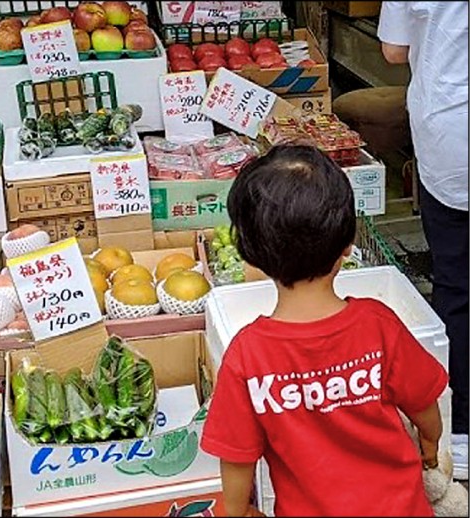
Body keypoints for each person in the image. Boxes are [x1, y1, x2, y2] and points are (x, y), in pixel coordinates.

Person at [200, 146, 448, 517]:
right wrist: (430, 441)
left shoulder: (247, 355)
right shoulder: (377, 324)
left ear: (249, 253)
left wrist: (237, 510)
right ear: (347, 247)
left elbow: (236, 454)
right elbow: (423, 401)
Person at [377, 1, 469, 482]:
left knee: (456, 285)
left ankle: (463, 432)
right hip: (449, 130)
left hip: (451, 135)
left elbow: (393, 50)